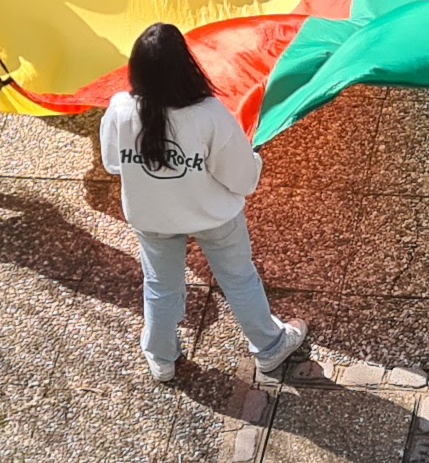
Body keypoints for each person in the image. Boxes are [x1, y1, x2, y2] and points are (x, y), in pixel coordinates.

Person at [100, 23, 308, 382]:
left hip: (152, 218)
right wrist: (253, 157)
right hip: (214, 216)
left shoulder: (120, 109)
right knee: (239, 279)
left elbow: (112, 162)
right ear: (187, 66)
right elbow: (243, 178)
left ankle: (161, 356)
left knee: (160, 286)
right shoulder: (208, 113)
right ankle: (270, 347)